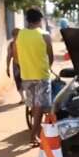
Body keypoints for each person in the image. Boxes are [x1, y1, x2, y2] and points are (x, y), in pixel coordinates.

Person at [16, 8, 54, 145]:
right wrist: (48, 67)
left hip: (26, 75)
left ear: (27, 19)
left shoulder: (20, 34)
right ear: (40, 20)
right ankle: (34, 135)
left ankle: (34, 131)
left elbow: (18, 54)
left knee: (33, 105)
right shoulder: (45, 35)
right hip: (41, 75)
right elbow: (51, 56)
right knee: (39, 106)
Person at [6, 28, 24, 104]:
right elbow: (9, 56)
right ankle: (23, 98)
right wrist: (7, 67)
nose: (16, 37)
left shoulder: (24, 43)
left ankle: (26, 98)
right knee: (18, 81)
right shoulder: (11, 44)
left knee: (26, 81)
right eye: (15, 35)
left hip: (25, 65)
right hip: (16, 64)